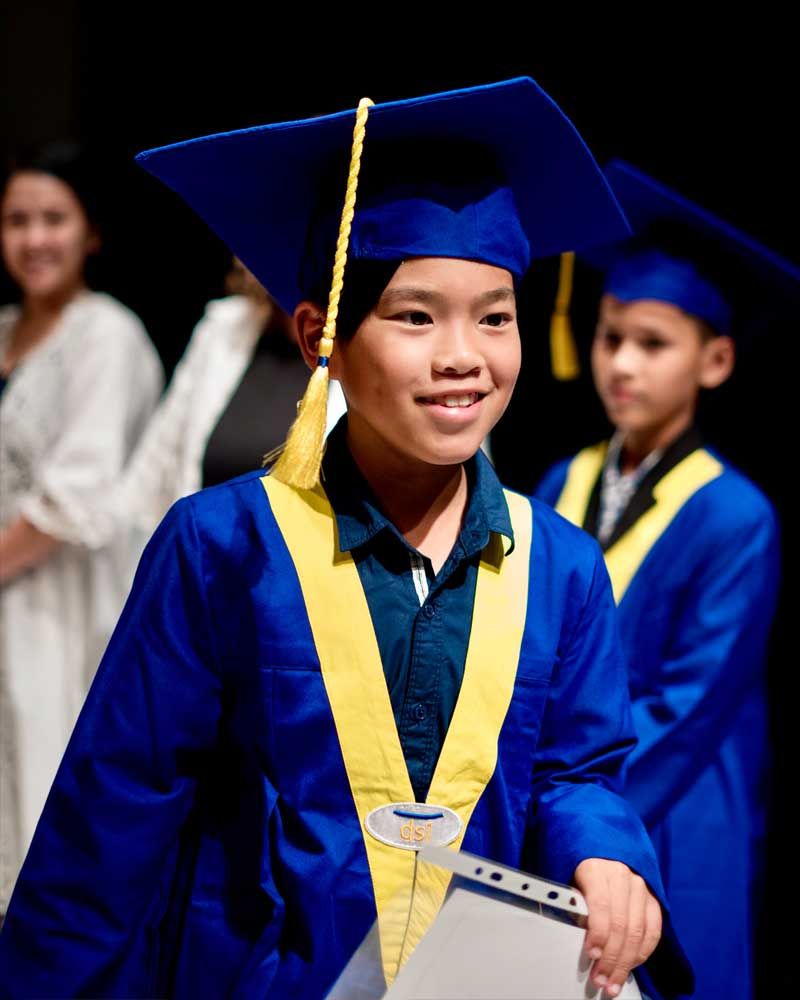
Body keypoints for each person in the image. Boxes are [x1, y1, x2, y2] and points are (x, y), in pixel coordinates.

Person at [0, 82, 691, 999]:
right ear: (319, 334)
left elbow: (576, 770)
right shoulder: (222, 547)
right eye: (415, 316)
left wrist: (605, 855)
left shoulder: (559, 566)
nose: (463, 355)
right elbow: (115, 813)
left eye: (495, 315)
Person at [535, 161, 794, 1000]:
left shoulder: (734, 516)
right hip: (564, 787)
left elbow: (691, 704)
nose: (622, 364)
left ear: (714, 360)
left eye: (653, 344)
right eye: (611, 338)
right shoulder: (559, 482)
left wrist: (565, 789)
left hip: (672, 797)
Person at [0, 142, 163, 913]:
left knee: (40, 805)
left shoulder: (107, 334)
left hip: (62, 607)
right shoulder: (3, 330)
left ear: (90, 232)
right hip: (7, 596)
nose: (35, 238)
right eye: (17, 220)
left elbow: (75, 496)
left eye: (53, 219)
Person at [113, 256, 346, 544]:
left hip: (300, 577)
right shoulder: (222, 328)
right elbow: (153, 477)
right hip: (203, 572)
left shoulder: (358, 342)